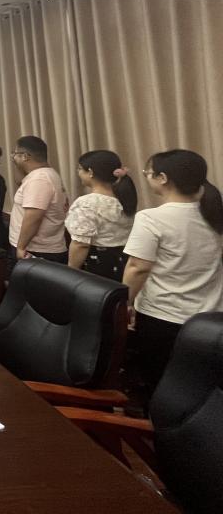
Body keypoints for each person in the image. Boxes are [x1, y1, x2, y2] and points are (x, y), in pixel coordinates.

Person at [123, 149, 223, 399]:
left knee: (161, 385)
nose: (147, 177)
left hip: (163, 317)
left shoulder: (151, 218)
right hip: (212, 318)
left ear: (163, 178)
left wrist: (126, 302)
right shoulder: (214, 214)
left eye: (147, 173)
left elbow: (138, 267)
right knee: (201, 389)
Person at [65, 150, 136, 281]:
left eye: (80, 169)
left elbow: (81, 244)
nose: (78, 172)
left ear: (90, 172)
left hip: (97, 265)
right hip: (123, 263)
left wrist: (70, 272)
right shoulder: (124, 198)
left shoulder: (87, 203)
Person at [8, 135, 69, 263]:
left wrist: (21, 247)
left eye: (15, 154)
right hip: (39, 248)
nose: (13, 157)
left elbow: (34, 216)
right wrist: (16, 162)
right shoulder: (45, 174)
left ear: (25, 156)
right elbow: (19, 181)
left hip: (35, 250)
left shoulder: (39, 179)